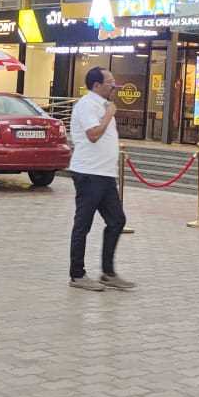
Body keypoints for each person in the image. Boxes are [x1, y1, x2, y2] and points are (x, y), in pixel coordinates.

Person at [67, 66, 134, 291]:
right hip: (88, 173)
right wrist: (109, 114)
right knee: (83, 224)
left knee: (117, 220)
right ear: (97, 85)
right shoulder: (87, 105)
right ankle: (77, 275)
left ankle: (108, 272)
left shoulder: (103, 105)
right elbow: (93, 135)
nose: (114, 85)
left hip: (105, 174)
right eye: (110, 82)